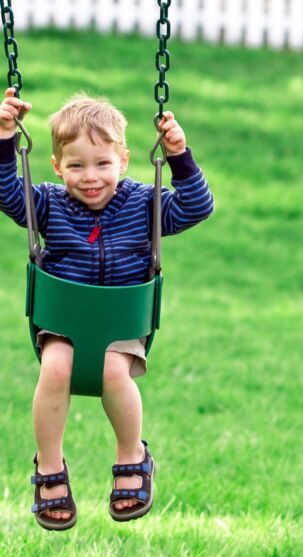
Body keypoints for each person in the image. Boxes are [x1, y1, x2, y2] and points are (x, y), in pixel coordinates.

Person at [0, 88, 214, 530]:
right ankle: (49, 468)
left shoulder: (143, 204)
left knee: (115, 372)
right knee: (55, 367)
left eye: (102, 164)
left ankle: (132, 456)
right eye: (76, 166)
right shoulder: (47, 203)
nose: (90, 176)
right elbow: (6, 194)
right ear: (58, 166)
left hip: (120, 327)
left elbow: (197, 206)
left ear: (124, 159)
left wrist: (179, 157)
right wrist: (4, 138)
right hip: (63, 325)